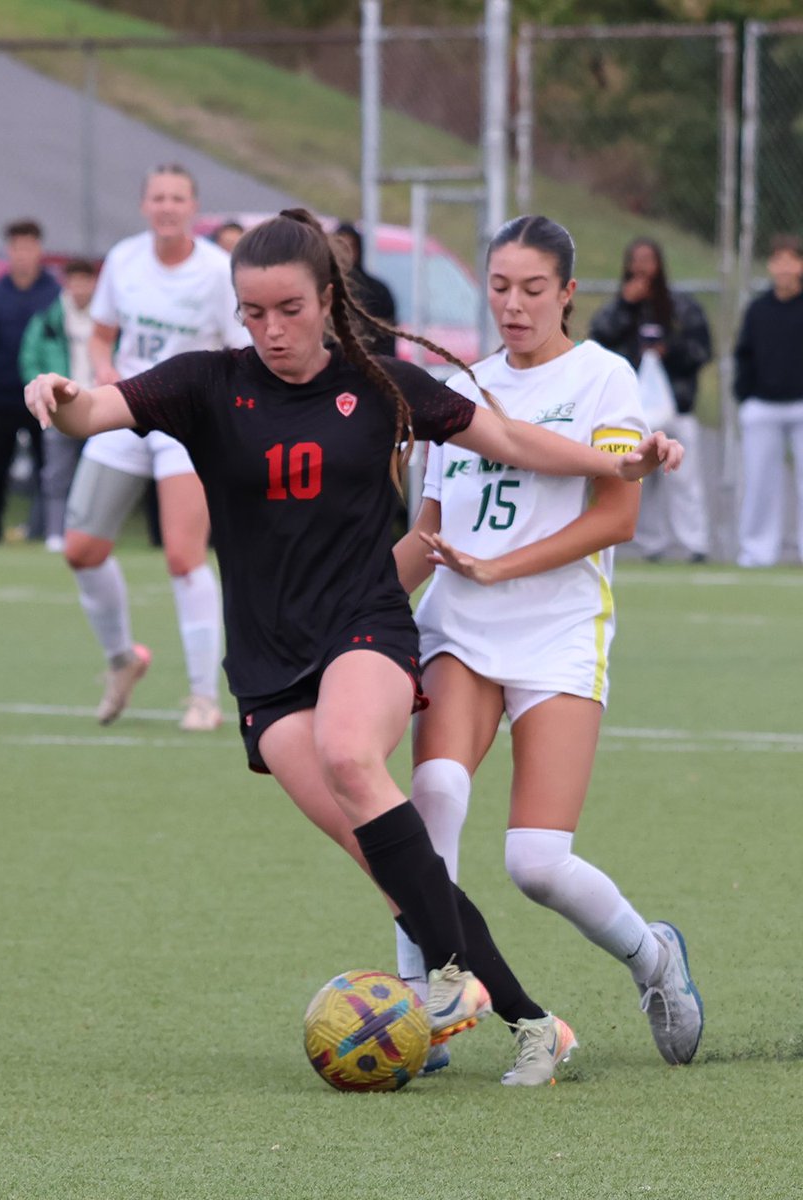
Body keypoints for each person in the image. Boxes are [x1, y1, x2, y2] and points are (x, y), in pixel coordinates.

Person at [25, 207, 682, 1080]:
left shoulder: (384, 385)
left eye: (289, 309)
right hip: (264, 661)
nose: (270, 330)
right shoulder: (203, 385)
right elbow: (96, 410)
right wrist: (60, 399)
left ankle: (448, 985)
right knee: (394, 869)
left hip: (365, 624)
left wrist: (621, 465)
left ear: (328, 300)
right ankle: (531, 1021)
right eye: (252, 312)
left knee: (352, 753)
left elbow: (517, 441)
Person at [392, 215, 704, 1081]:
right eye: (499, 287)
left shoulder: (605, 378)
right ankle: (425, 1005)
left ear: (568, 292)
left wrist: (502, 567)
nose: (514, 305)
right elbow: (432, 530)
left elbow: (616, 513)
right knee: (435, 790)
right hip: (460, 627)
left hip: (560, 631)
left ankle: (654, 960)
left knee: (536, 861)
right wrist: (348, 608)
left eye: (534, 289)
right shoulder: (460, 387)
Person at [63, 164, 248, 731]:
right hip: (125, 409)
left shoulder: (220, 272)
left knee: (182, 555)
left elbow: (242, 353)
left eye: (178, 198)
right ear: (144, 205)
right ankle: (122, 660)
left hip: (187, 423)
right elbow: (101, 335)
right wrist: (105, 370)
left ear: (194, 208)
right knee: (81, 549)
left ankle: (202, 697)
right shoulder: (123, 259)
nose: (167, 207)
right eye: (158, 198)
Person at [589, 237, 711, 563]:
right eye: (636, 259)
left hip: (677, 407)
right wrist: (626, 306)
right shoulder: (619, 308)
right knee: (642, 476)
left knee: (683, 476)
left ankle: (694, 543)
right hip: (633, 408)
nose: (642, 267)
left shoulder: (680, 307)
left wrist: (666, 351)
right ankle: (651, 545)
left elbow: (702, 350)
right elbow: (596, 342)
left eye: (649, 259)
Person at [0, 219, 61, 544]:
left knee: (49, 472)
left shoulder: (54, 294)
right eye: (17, 248)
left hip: (44, 399)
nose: (23, 255)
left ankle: (47, 532)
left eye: (29, 247)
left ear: (39, 250)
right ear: (9, 251)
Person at [733, 233, 803, 568]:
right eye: (780, 259)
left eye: (792, 259)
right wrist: (746, 397)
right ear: (772, 265)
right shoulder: (758, 309)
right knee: (760, 483)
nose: (785, 267)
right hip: (762, 406)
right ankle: (757, 552)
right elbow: (743, 355)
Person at [19, 258, 98, 553]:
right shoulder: (49, 318)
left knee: (96, 473)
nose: (79, 288)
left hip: (99, 402)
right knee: (57, 473)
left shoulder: (106, 319)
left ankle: (92, 534)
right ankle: (55, 533)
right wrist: (42, 390)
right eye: (74, 281)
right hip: (61, 403)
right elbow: (30, 358)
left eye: (85, 281)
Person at [333, 220, 397, 357]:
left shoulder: (377, 291)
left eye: (350, 247)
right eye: (341, 247)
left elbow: (387, 338)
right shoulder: (322, 288)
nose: (346, 253)